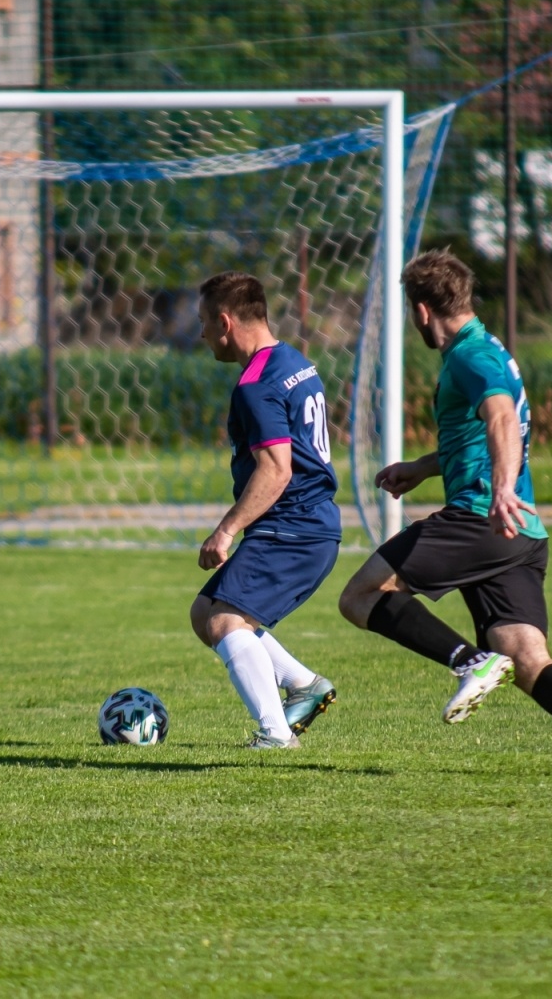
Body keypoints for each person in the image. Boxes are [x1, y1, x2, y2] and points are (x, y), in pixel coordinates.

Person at [337, 249, 552, 778]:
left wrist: (501, 488)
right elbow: (481, 433)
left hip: (483, 518)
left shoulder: (468, 355)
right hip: (521, 531)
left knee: (360, 596)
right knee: (524, 653)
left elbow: (501, 416)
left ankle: (469, 662)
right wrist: (422, 467)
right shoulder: (490, 348)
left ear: (420, 310)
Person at [190, 272, 341, 749]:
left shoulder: (255, 384)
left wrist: (226, 529)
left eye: (203, 323)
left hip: (293, 528)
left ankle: (276, 734)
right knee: (204, 613)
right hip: (305, 523)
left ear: (225, 322)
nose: (201, 335)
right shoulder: (293, 361)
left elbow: (276, 470)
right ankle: (303, 685)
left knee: (225, 623)